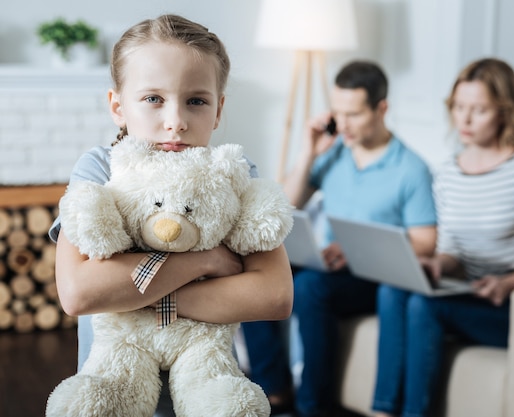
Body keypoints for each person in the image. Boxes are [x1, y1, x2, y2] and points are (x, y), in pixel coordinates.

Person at [48, 14, 293, 416]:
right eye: (153, 99)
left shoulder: (234, 172)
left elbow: (273, 295)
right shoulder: (98, 170)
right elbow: (79, 292)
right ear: (118, 106)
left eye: (196, 101)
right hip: (111, 397)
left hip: (202, 396)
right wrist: (207, 262)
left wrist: (130, 297)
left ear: (218, 110)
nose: (176, 121)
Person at [371, 57, 514, 417]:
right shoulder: (448, 172)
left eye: (479, 109)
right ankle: (382, 411)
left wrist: (508, 283)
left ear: (505, 111)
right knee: (393, 290)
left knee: (425, 307)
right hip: (467, 293)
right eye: (458, 107)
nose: (465, 119)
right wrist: (438, 263)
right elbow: (453, 247)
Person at [242, 60, 438, 417]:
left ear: (382, 109)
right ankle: (273, 390)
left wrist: (355, 251)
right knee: (256, 265)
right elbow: (285, 205)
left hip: (374, 278)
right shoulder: (335, 153)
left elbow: (426, 242)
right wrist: (307, 152)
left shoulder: (411, 169)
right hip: (329, 264)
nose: (343, 124)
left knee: (310, 288)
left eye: (354, 114)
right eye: (337, 112)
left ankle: (314, 406)